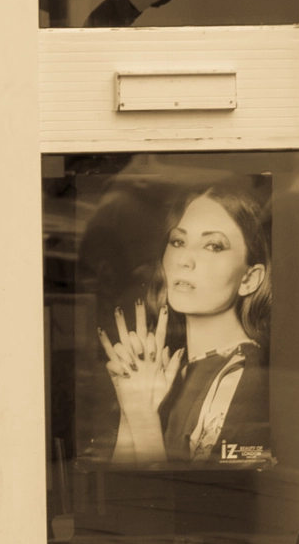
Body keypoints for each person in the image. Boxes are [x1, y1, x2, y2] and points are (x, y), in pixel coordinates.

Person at [100, 184, 272, 464]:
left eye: (213, 245)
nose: (183, 260)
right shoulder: (170, 369)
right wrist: (131, 405)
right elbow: (123, 489)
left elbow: (182, 501)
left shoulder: (246, 377)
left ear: (249, 279)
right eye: (178, 241)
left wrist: (143, 415)